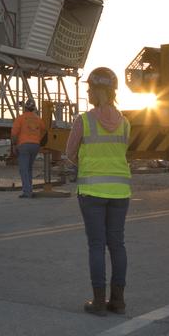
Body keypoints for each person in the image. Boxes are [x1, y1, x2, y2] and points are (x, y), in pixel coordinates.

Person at [64, 67, 131, 316]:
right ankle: (119, 301)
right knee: (117, 245)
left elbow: (70, 154)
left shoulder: (84, 121)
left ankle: (99, 302)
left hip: (92, 191)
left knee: (96, 246)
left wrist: (84, 163)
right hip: (120, 192)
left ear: (97, 90)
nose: (88, 92)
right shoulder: (125, 123)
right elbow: (121, 153)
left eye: (90, 88)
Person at [11, 99, 46, 198]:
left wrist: (14, 145)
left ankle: (27, 192)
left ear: (25, 108)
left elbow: (14, 134)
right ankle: (29, 189)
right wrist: (38, 139)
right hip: (35, 145)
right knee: (29, 168)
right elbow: (44, 129)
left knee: (24, 169)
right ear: (34, 108)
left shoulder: (20, 118)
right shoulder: (38, 119)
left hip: (24, 145)